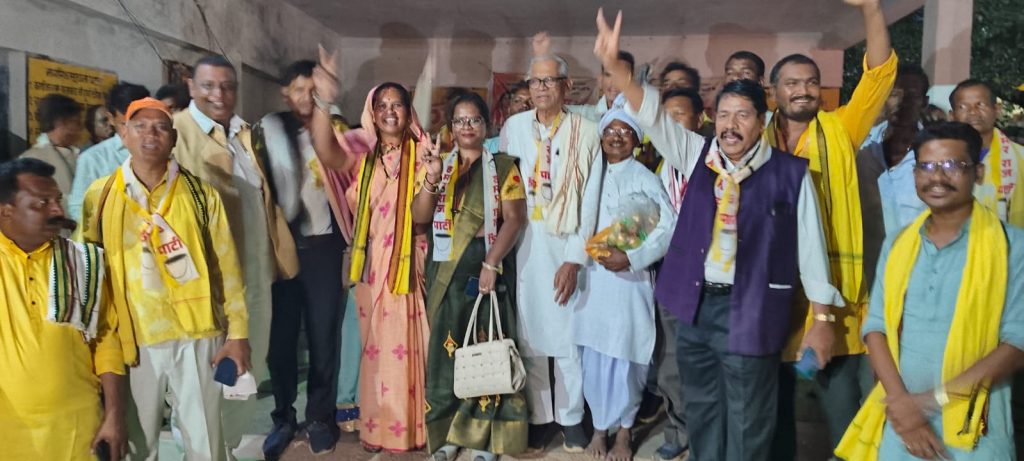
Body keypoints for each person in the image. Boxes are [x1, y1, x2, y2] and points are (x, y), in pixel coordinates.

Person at [595, 9, 843, 460]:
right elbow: (653, 116)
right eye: (724, 114)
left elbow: (811, 251)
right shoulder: (698, 153)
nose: (730, 125)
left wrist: (822, 321)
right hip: (694, 307)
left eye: (742, 115)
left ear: (762, 121)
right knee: (703, 410)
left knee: (750, 419)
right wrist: (617, 69)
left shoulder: (790, 174)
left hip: (752, 308)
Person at [837, 121, 1024, 461]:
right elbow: (875, 328)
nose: (937, 176)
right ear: (915, 174)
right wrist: (903, 405)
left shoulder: (1012, 246)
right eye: (926, 166)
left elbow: (1017, 343)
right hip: (902, 428)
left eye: (952, 165)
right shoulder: (899, 244)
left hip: (975, 429)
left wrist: (929, 402)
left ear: (977, 172)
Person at [78, 97, 250, 460]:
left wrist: (237, 334)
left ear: (173, 138)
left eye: (160, 127)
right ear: (123, 134)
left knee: (205, 442)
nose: (150, 135)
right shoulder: (101, 196)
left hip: (197, 334)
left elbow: (227, 267)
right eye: (140, 127)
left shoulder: (201, 195)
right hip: (133, 338)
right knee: (136, 446)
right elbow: (87, 270)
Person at [765, 0, 898, 455]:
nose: (803, 90)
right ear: (773, 92)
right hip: (772, 296)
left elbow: (878, 77)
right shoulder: (756, 138)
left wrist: (872, 10)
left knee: (840, 411)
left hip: (832, 297)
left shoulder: (842, 129)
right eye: (792, 83)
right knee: (774, 416)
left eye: (810, 82)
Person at [172, 55, 299, 455]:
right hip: (210, 282)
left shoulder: (242, 132)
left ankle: (225, 448)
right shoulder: (177, 133)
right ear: (191, 86)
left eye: (227, 86)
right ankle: (203, 451)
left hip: (255, 276)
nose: (219, 94)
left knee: (247, 372)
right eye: (208, 86)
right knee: (205, 382)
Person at [309, 48, 430, 453]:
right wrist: (324, 100)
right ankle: (376, 429)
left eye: (398, 105)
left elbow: (422, 216)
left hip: (407, 266)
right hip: (372, 266)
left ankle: (411, 430)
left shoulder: (425, 155)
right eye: (382, 106)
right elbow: (326, 151)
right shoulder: (362, 158)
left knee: (407, 347)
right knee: (374, 348)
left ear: (409, 112)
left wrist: (432, 176)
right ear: (372, 114)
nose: (390, 111)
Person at [411, 92, 529, 461]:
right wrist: (431, 177)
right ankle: (447, 434)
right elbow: (419, 217)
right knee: (446, 352)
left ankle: (483, 438)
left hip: (484, 263)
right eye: (459, 120)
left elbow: (514, 219)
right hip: (445, 266)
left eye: (474, 119)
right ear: (450, 127)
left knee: (485, 347)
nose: (467, 127)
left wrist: (491, 263)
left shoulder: (504, 167)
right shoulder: (440, 165)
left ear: (486, 126)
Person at [500, 42, 601, 453]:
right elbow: (503, 187)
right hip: (526, 242)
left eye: (549, 80)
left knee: (569, 336)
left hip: (568, 241)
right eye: (535, 81)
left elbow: (591, 199)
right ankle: (541, 417)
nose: (541, 88)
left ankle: (572, 418)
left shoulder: (587, 130)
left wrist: (575, 259)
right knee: (530, 334)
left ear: (566, 85)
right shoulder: (514, 128)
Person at [0, 158, 126, 460]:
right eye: (42, 203)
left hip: (78, 432)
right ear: (6, 211)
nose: (57, 210)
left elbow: (106, 342)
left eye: (58, 200)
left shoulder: (83, 262)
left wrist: (114, 415)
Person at [253, 59, 347, 458]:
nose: (307, 98)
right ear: (285, 93)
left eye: (314, 90)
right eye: (299, 90)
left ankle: (320, 418)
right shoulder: (268, 131)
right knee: (282, 341)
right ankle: (284, 417)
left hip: (325, 249)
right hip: (281, 248)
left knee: (325, 337)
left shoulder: (337, 130)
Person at [575, 109, 676, 461]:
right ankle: (599, 429)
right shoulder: (590, 173)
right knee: (594, 356)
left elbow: (668, 227)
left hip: (630, 281)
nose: (616, 137)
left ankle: (624, 432)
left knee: (629, 357)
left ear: (636, 139)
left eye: (625, 131)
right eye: (610, 130)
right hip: (593, 280)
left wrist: (631, 258)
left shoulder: (646, 178)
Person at [856, 65, 930, 289]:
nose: (902, 103)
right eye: (895, 94)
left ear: (924, 103)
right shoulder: (861, 147)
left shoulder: (935, 153)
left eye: (912, 96)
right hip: (867, 275)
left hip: (918, 273)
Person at [69, 82, 151, 221]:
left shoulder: (162, 151)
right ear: (111, 118)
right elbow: (78, 208)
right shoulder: (93, 159)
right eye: (125, 124)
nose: (134, 131)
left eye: (140, 124)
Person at [948, 79, 1024, 226]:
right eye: (963, 106)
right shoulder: (937, 157)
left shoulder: (1020, 157)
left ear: (997, 109)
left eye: (981, 104)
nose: (973, 112)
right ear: (952, 116)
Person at [20, 93, 83, 210]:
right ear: (61, 122)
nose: (80, 128)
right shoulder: (31, 159)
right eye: (76, 122)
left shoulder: (80, 154)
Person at [569, 50, 635, 122]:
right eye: (608, 75)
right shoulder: (583, 114)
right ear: (600, 79)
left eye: (621, 76)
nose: (614, 82)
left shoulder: (640, 118)